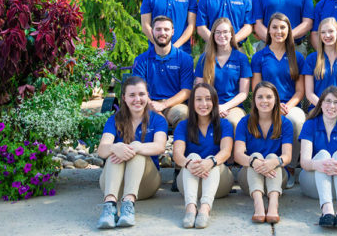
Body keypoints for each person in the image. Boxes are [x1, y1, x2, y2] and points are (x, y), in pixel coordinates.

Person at [96, 76, 167, 229]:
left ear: (148, 96)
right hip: (113, 185)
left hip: (145, 185)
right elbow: (102, 150)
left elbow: (160, 147)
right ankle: (109, 207)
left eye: (141, 94)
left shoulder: (158, 120)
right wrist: (115, 147)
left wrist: (136, 147)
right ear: (124, 98)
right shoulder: (115, 119)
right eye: (132, 95)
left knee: (137, 149)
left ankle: (128, 206)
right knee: (115, 151)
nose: (137, 99)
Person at [251, 12, 305, 185]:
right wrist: (270, 105)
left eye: (283, 27)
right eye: (274, 27)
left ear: (289, 31)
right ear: (268, 30)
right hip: (265, 104)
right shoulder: (260, 56)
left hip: (289, 104)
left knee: (296, 119)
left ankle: (289, 168)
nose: (278, 31)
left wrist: (288, 106)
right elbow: (256, 88)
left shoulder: (297, 57)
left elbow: (300, 91)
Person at [173, 83, 234, 229]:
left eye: (208, 99)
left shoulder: (224, 124)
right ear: (192, 102)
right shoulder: (183, 125)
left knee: (212, 159)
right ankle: (190, 209)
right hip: (189, 182)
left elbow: (226, 151)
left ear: (214, 102)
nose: (203, 104)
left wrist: (211, 162)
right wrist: (188, 164)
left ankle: (205, 209)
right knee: (193, 156)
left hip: (219, 183)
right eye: (198, 99)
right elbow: (177, 155)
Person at [299, 86, 337, 228]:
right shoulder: (310, 125)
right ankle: (326, 209)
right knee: (324, 155)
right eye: (328, 101)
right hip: (313, 183)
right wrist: (318, 165)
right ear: (320, 103)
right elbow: (304, 162)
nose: (331, 106)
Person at [234, 81, 293, 224]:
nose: (264, 101)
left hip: (277, 177)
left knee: (273, 157)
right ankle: (258, 204)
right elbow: (238, 154)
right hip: (249, 177)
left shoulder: (285, 123)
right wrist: (255, 163)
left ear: (276, 100)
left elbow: (287, 156)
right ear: (254, 100)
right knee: (255, 157)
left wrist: (274, 162)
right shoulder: (245, 122)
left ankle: (273, 205)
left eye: (269, 97)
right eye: (260, 97)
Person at [133, 15, 194, 130]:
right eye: (158, 29)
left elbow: (186, 91)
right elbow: (138, 90)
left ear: (172, 32)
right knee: (145, 119)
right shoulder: (141, 60)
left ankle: (180, 147)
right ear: (152, 31)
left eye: (166, 29)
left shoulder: (185, 59)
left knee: (184, 114)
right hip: (147, 105)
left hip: (174, 105)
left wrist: (164, 105)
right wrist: (153, 107)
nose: (162, 33)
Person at [194, 17, 252, 130]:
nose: (222, 35)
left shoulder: (241, 58)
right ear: (213, 35)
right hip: (207, 105)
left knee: (233, 121)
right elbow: (198, 89)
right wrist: (214, 107)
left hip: (233, 107)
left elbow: (243, 93)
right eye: (218, 32)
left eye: (225, 32)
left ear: (231, 35)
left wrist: (225, 107)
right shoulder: (204, 59)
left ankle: (234, 148)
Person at [304, 17, 337, 110]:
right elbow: (309, 93)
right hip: (317, 109)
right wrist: (325, 107)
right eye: (323, 32)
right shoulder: (311, 59)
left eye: (331, 31)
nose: (327, 35)